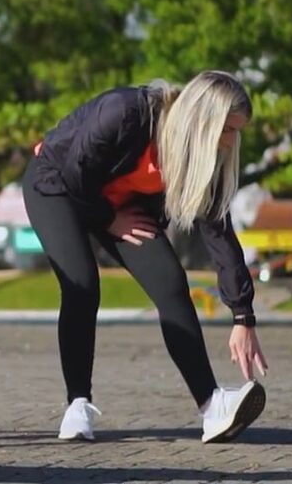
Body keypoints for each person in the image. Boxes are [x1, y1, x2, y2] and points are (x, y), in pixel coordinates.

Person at [23, 70, 269, 444]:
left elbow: (219, 234)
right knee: (83, 285)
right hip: (58, 185)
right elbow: (76, 173)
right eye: (227, 130)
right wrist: (109, 218)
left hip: (119, 204)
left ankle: (213, 407)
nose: (231, 142)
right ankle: (77, 405)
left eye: (236, 131)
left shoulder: (205, 159)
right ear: (201, 120)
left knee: (171, 283)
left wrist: (242, 316)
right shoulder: (127, 113)